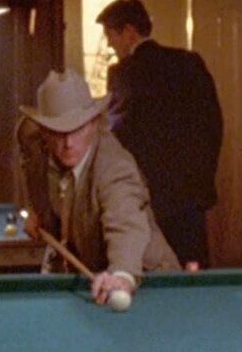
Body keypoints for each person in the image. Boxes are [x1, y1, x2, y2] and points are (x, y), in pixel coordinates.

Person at [17, 70, 179, 305]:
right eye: (59, 132)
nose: (68, 143)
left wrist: (122, 275)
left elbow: (126, 222)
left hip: (150, 284)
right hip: (92, 281)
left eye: (77, 129)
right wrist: (39, 215)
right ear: (44, 131)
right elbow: (47, 189)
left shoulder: (114, 168)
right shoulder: (37, 152)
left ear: (93, 123)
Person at [94, 0, 224, 266]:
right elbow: (213, 125)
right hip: (191, 195)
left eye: (110, 36)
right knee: (193, 271)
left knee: (153, 271)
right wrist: (201, 179)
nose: (109, 45)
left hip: (150, 199)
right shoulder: (190, 62)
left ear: (129, 32)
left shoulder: (124, 73)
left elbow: (117, 134)